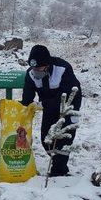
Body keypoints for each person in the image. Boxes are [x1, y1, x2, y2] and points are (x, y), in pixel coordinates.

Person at [21, 45, 82, 177]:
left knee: (64, 138)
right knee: (46, 138)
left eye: (39, 68)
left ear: (47, 64)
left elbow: (66, 95)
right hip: (48, 106)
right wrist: (24, 106)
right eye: (33, 68)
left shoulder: (63, 68)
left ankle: (59, 171)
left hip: (69, 105)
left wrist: (42, 104)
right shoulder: (31, 74)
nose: (36, 71)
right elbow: (27, 97)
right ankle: (56, 160)